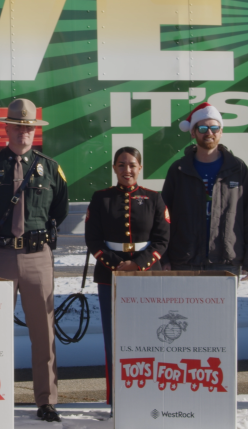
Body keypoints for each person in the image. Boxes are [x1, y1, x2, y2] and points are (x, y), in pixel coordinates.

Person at [0, 98, 68, 423]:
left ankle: (46, 400)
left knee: (43, 332)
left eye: (29, 127)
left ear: (34, 131)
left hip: (38, 257)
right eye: (18, 126)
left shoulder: (50, 167)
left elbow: (59, 211)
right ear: (7, 128)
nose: (23, 132)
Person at [85, 147, 170, 403]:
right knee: (114, 338)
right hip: (110, 276)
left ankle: (147, 394)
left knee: (148, 335)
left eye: (132, 165)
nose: (127, 170)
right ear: (114, 168)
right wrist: (116, 265)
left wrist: (138, 264)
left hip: (146, 276)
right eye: (121, 165)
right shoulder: (101, 199)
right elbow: (93, 239)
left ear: (140, 168)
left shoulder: (154, 198)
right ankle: (117, 397)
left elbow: (162, 240)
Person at [160, 102, 248, 280]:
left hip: (225, 260)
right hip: (184, 260)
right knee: (184, 309)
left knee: (221, 309)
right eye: (203, 128)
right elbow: (164, 217)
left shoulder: (237, 168)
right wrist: (165, 256)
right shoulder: (179, 169)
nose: (209, 132)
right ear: (193, 132)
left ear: (221, 131)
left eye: (214, 127)